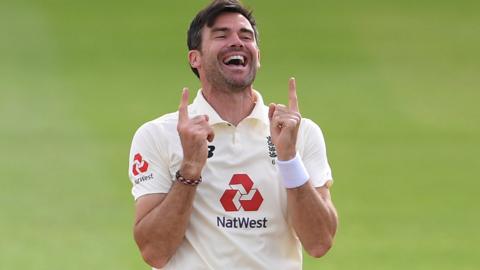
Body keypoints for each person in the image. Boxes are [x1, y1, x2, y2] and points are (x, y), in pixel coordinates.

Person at [128, 0, 338, 269]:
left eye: (246, 36)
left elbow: (319, 243)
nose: (237, 41)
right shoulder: (158, 135)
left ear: (258, 57)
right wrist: (190, 168)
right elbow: (154, 251)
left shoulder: (300, 132)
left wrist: (289, 159)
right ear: (196, 58)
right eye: (221, 35)